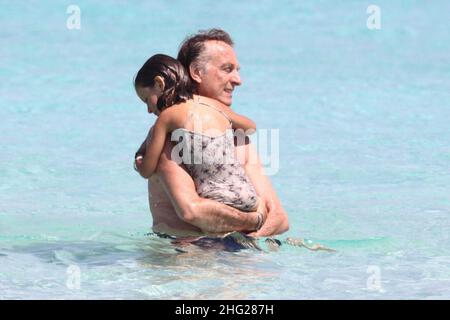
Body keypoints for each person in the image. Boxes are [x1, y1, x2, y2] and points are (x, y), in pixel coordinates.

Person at [134, 29, 289, 240]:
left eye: (236, 70)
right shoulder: (173, 140)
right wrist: (254, 222)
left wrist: (248, 233)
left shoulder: (237, 139)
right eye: (227, 69)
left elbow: (279, 219)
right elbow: (193, 211)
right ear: (196, 72)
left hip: (193, 258)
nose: (238, 80)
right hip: (190, 259)